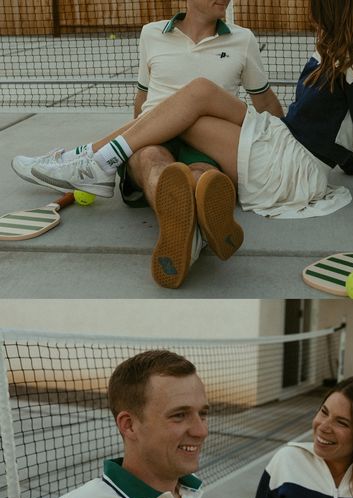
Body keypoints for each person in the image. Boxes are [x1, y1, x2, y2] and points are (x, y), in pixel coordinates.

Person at [12, 0, 283, 288]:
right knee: (152, 161)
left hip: (208, 141)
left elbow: (264, 100)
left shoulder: (243, 39)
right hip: (153, 136)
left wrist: (285, 143)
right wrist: (135, 141)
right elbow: (142, 101)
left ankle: (182, 224)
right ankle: (195, 229)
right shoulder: (151, 33)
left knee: (202, 175)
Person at [31, 349, 212, 498]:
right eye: (179, 415)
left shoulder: (191, 493)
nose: (201, 431)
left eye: (203, 414)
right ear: (129, 426)